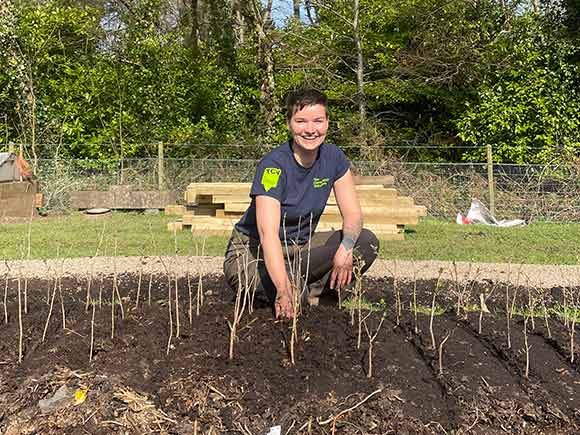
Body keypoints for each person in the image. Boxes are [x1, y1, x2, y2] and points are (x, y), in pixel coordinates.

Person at [223, 88, 379, 319]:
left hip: (300, 249)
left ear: (327, 123)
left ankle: (318, 295)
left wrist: (345, 247)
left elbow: (353, 215)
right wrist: (284, 289)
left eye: (318, 120)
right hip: (253, 251)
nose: (310, 130)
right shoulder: (273, 167)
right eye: (301, 121)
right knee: (292, 294)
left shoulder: (334, 158)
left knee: (365, 241)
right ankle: (287, 289)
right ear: (289, 124)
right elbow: (268, 235)